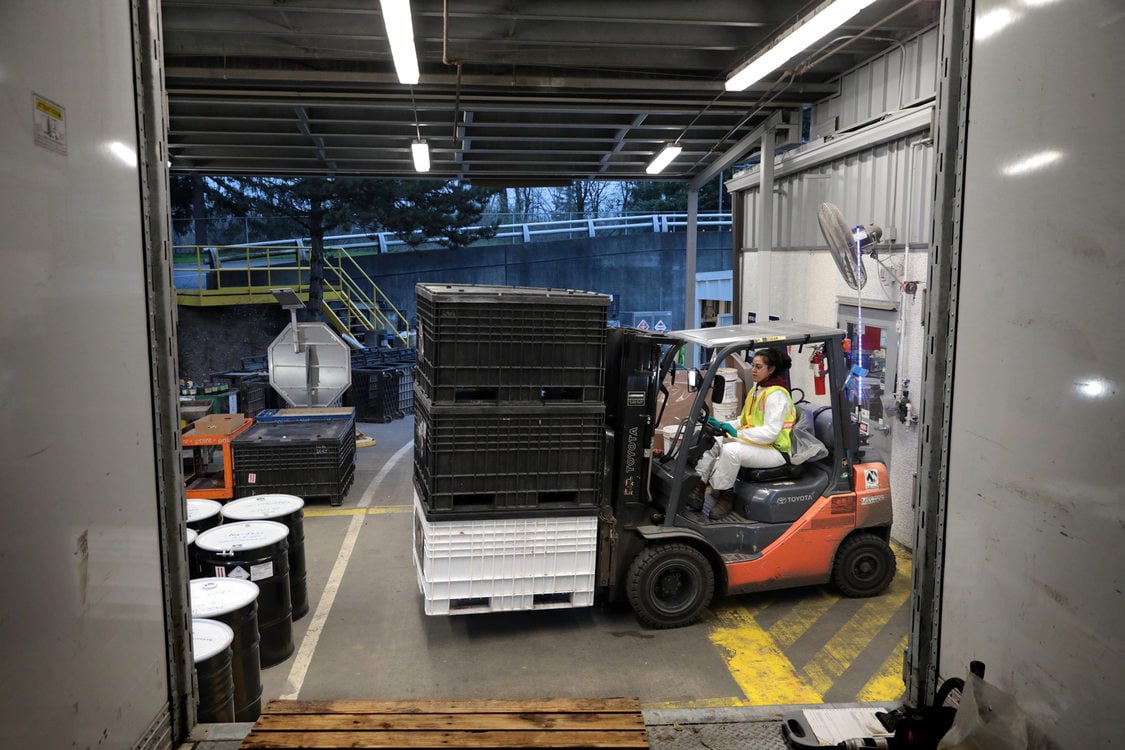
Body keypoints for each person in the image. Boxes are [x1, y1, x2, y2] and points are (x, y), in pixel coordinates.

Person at [689, 347, 796, 520]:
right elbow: (744, 421)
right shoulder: (757, 390)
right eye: (753, 365)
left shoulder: (777, 395)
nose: (753, 369)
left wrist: (737, 434)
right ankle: (698, 488)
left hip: (775, 450)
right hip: (759, 444)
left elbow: (770, 433)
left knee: (731, 451)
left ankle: (725, 496)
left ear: (771, 369)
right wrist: (723, 424)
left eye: (758, 367)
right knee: (714, 439)